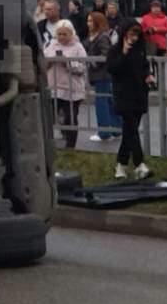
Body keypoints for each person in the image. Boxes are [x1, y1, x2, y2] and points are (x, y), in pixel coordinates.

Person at [107, 18, 155, 180]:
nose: (133, 38)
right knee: (132, 130)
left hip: (139, 94)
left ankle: (121, 164)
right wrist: (124, 53)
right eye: (130, 34)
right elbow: (113, 69)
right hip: (123, 94)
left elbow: (143, 67)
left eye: (136, 34)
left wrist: (148, 75)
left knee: (129, 131)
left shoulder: (140, 50)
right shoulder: (115, 50)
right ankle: (140, 163)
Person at [44, 21, 88, 149]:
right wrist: (49, 63)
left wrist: (67, 63)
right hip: (53, 88)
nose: (62, 37)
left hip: (72, 90)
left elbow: (83, 68)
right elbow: (43, 62)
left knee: (71, 119)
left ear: (71, 33)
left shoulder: (78, 47)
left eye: (65, 34)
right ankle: (48, 144)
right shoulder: (51, 45)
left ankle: (70, 146)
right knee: (49, 117)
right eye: (59, 34)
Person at [84, 10, 116, 142]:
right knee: (108, 101)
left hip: (102, 74)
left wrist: (94, 61)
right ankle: (116, 127)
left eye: (91, 21)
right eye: (88, 21)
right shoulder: (92, 35)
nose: (88, 24)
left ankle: (104, 132)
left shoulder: (102, 37)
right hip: (98, 74)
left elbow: (106, 54)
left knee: (101, 102)